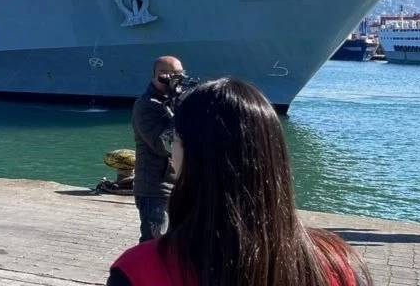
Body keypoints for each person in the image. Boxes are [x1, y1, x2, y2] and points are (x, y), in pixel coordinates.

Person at [109, 78, 372, 286]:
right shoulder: (341, 263)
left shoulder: (138, 270)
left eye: (174, 141)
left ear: (186, 157)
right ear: (275, 156)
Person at [130, 56, 181, 242]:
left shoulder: (174, 102)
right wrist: (181, 113)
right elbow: (164, 145)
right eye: (170, 74)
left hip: (177, 186)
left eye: (179, 74)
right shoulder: (146, 105)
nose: (175, 79)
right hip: (155, 189)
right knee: (154, 246)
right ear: (157, 76)